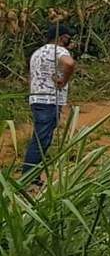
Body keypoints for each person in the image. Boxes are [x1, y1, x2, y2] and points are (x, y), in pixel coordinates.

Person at [23, 24, 77, 183]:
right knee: (42, 139)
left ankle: (30, 176)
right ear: (61, 38)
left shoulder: (37, 53)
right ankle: (29, 178)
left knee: (40, 137)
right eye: (68, 37)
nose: (69, 40)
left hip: (37, 99)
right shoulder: (58, 50)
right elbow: (69, 63)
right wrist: (63, 80)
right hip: (49, 100)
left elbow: (32, 76)